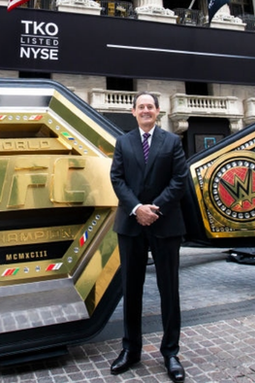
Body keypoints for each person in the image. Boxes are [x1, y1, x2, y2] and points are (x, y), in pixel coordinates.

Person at [109, 92, 188, 382]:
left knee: (170, 290)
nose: (145, 110)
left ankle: (170, 353)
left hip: (165, 223)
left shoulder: (172, 142)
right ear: (133, 112)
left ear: (158, 111)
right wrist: (136, 208)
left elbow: (180, 179)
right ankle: (131, 350)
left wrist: (154, 209)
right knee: (131, 289)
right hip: (131, 225)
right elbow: (116, 178)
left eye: (150, 107)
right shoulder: (123, 142)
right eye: (140, 106)